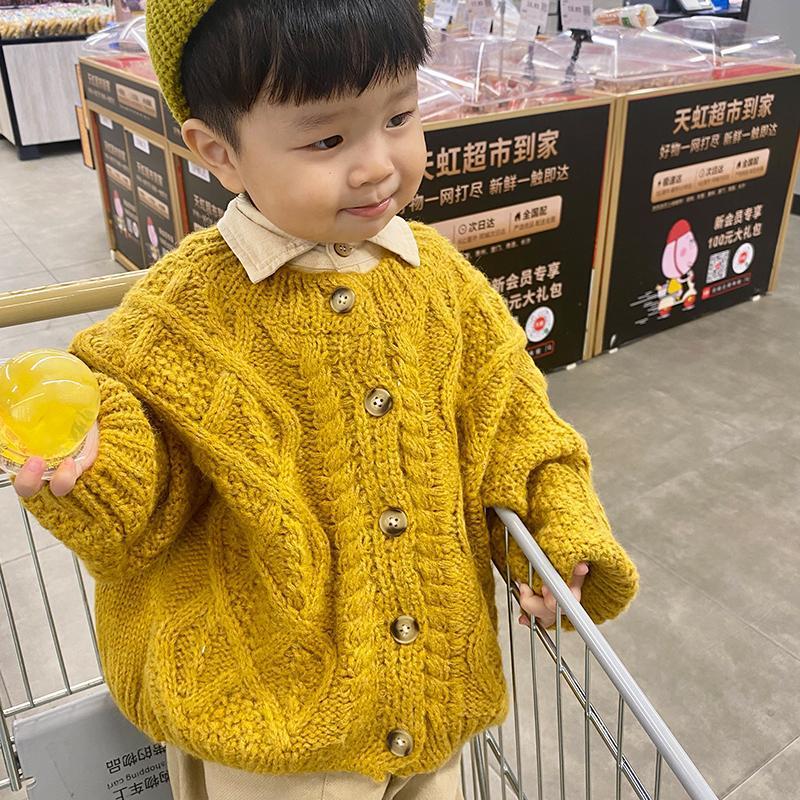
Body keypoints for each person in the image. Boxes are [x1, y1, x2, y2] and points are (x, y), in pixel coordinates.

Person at [11, 1, 639, 798]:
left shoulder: (442, 285)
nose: (377, 164)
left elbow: (518, 425)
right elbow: (144, 485)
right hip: (272, 737)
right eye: (327, 140)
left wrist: (556, 535)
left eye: (399, 116)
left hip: (435, 695)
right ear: (219, 152)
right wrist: (98, 464)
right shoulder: (181, 316)